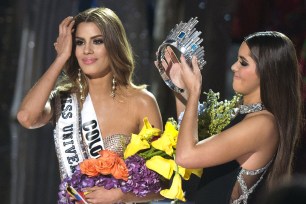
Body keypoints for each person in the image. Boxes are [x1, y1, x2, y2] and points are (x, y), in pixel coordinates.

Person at [17, 7, 163, 204]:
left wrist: (120, 195)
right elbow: (26, 117)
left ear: (113, 45)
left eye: (97, 41)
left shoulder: (142, 102)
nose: (87, 50)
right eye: (79, 42)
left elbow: (162, 182)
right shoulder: (64, 100)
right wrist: (60, 58)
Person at [163, 31, 302, 203]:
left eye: (243, 63)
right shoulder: (246, 114)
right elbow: (190, 142)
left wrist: (194, 93)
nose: (234, 67)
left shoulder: (262, 124)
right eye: (237, 59)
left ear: (267, 71)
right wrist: (182, 89)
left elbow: (186, 157)